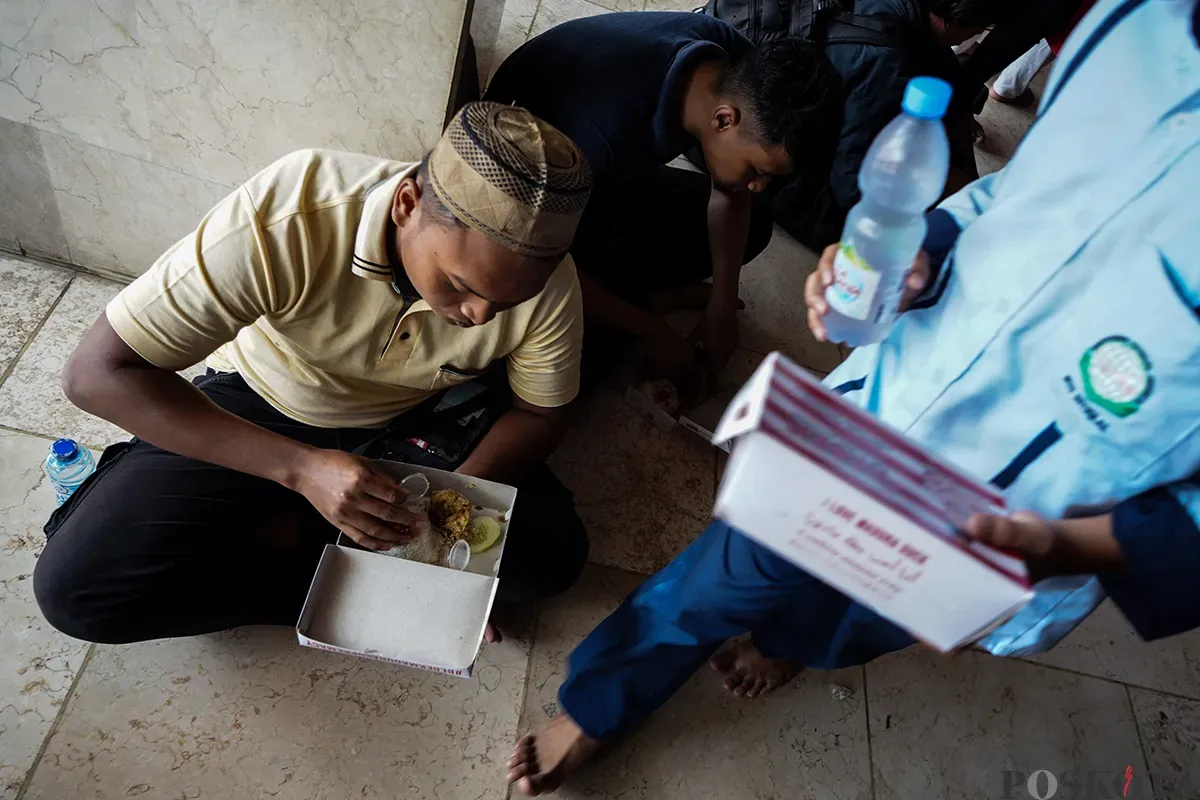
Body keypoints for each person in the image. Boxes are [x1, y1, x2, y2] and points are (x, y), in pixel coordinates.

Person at [505, 0, 1200, 794]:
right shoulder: (1137, 21)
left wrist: (1080, 547)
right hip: (894, 398)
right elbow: (1014, 203)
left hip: (1026, 511)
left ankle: (794, 643)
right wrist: (924, 250)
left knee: (867, 613)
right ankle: (598, 707)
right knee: (727, 566)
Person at [33, 102, 594, 645]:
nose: (478, 317)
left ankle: (300, 539)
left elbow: (541, 414)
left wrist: (447, 504)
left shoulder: (550, 286)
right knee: (79, 592)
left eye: (506, 302)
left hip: (414, 420)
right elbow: (96, 373)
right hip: (260, 402)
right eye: (462, 285)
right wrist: (301, 471)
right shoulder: (292, 212)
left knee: (548, 562)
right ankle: (342, 569)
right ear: (406, 203)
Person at [485, 12, 842, 380]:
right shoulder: (604, 130)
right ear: (723, 120)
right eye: (757, 170)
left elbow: (731, 194)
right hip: (524, 197)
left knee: (753, 225)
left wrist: (721, 303)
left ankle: (638, 296)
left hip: (601, 176)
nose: (758, 184)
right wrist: (650, 329)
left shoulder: (733, 65)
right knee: (579, 350)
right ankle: (650, 302)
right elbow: (540, 261)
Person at [704, 0, 1017, 251]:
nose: (973, 38)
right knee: (872, 236)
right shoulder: (888, 67)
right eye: (979, 29)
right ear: (961, 16)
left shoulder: (905, 24)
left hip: (739, 67)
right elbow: (852, 189)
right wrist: (938, 183)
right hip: (755, 136)